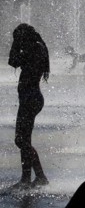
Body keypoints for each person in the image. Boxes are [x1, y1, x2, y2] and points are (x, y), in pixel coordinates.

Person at [8, 24, 50, 189]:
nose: (18, 42)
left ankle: (34, 177)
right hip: (29, 98)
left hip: (30, 99)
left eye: (18, 39)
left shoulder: (34, 49)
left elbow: (12, 61)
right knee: (23, 140)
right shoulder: (36, 47)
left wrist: (15, 45)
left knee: (21, 139)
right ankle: (34, 177)